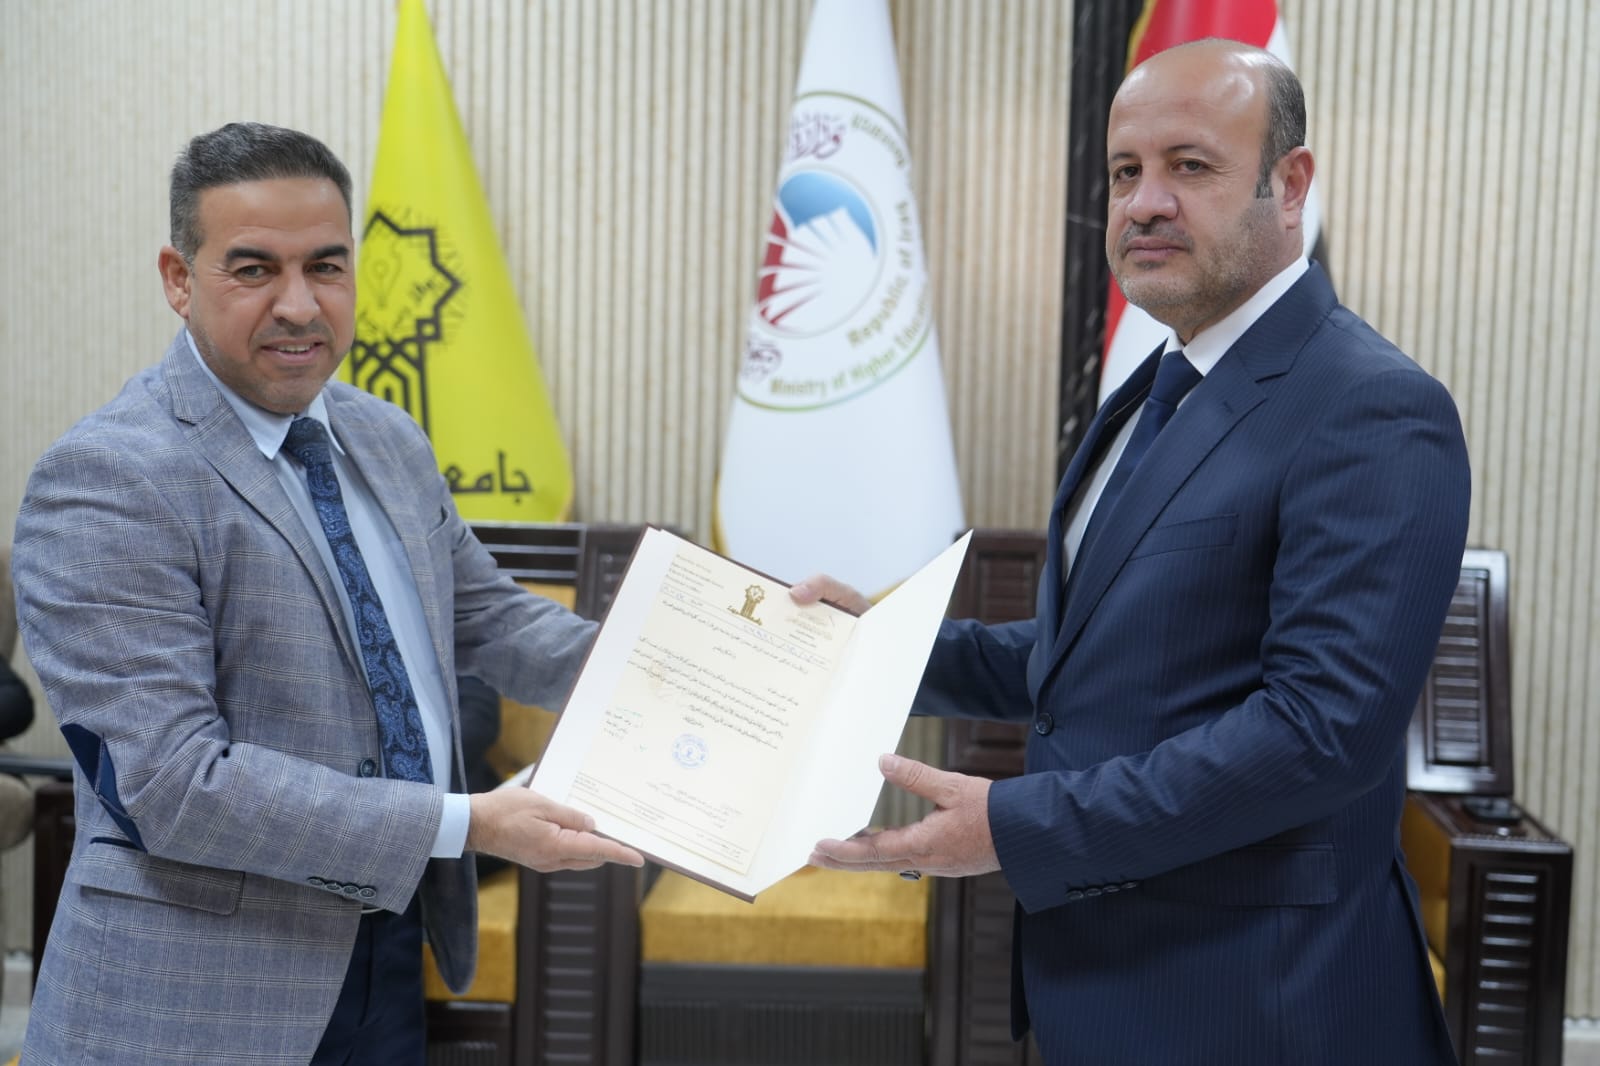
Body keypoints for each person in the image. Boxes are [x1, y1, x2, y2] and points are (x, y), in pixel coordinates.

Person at [799, 39, 1469, 1065]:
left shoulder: (1373, 408)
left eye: (1189, 166)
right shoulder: (1153, 389)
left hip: (1260, 1006)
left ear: (1290, 184)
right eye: (1124, 171)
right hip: (1105, 988)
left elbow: (1320, 733)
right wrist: (880, 647)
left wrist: (1016, 826)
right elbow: (1094, 657)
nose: (1145, 203)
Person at [10, 122, 642, 1066]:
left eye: (327, 267)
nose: (300, 305)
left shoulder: (385, 437)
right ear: (179, 279)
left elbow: (490, 618)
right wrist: (466, 822)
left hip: (388, 944)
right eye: (254, 269)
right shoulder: (109, 477)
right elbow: (176, 785)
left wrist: (712, 669)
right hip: (199, 992)